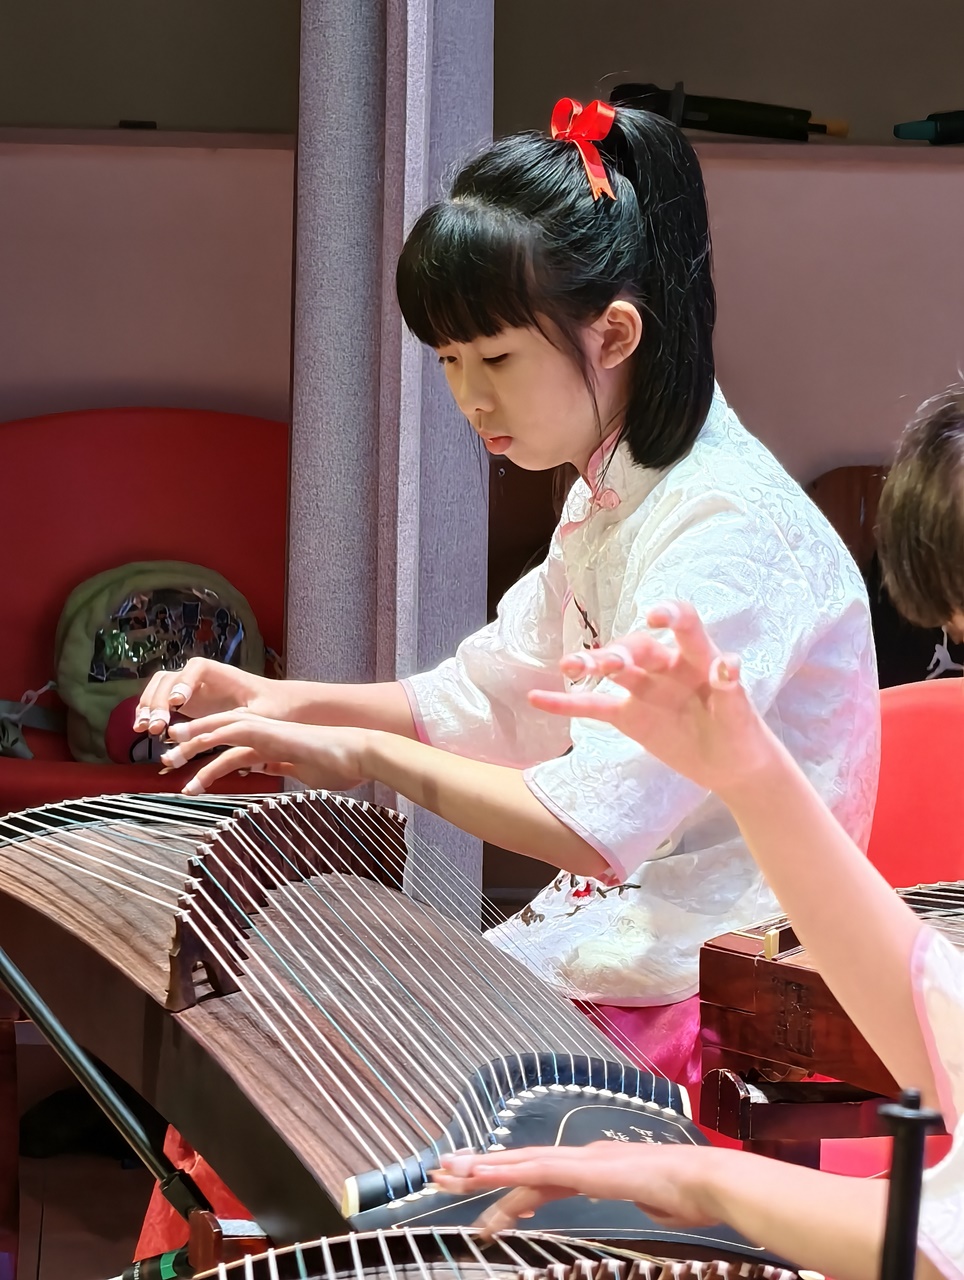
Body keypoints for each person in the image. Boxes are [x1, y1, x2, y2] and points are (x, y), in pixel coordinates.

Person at [132, 95, 878, 1262]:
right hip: (617, 954)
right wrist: (272, 701)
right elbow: (488, 694)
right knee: (251, 1095)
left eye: (493, 358)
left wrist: (362, 753)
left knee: (311, 1131)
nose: (466, 397)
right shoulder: (617, 492)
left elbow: (593, 824)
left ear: (614, 334)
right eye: (446, 359)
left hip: (702, 996)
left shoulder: (723, 532)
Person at [431, 600, 961, 1280]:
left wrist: (703, 1179)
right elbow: (933, 1015)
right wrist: (749, 771)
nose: (950, 635)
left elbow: (939, 1247)